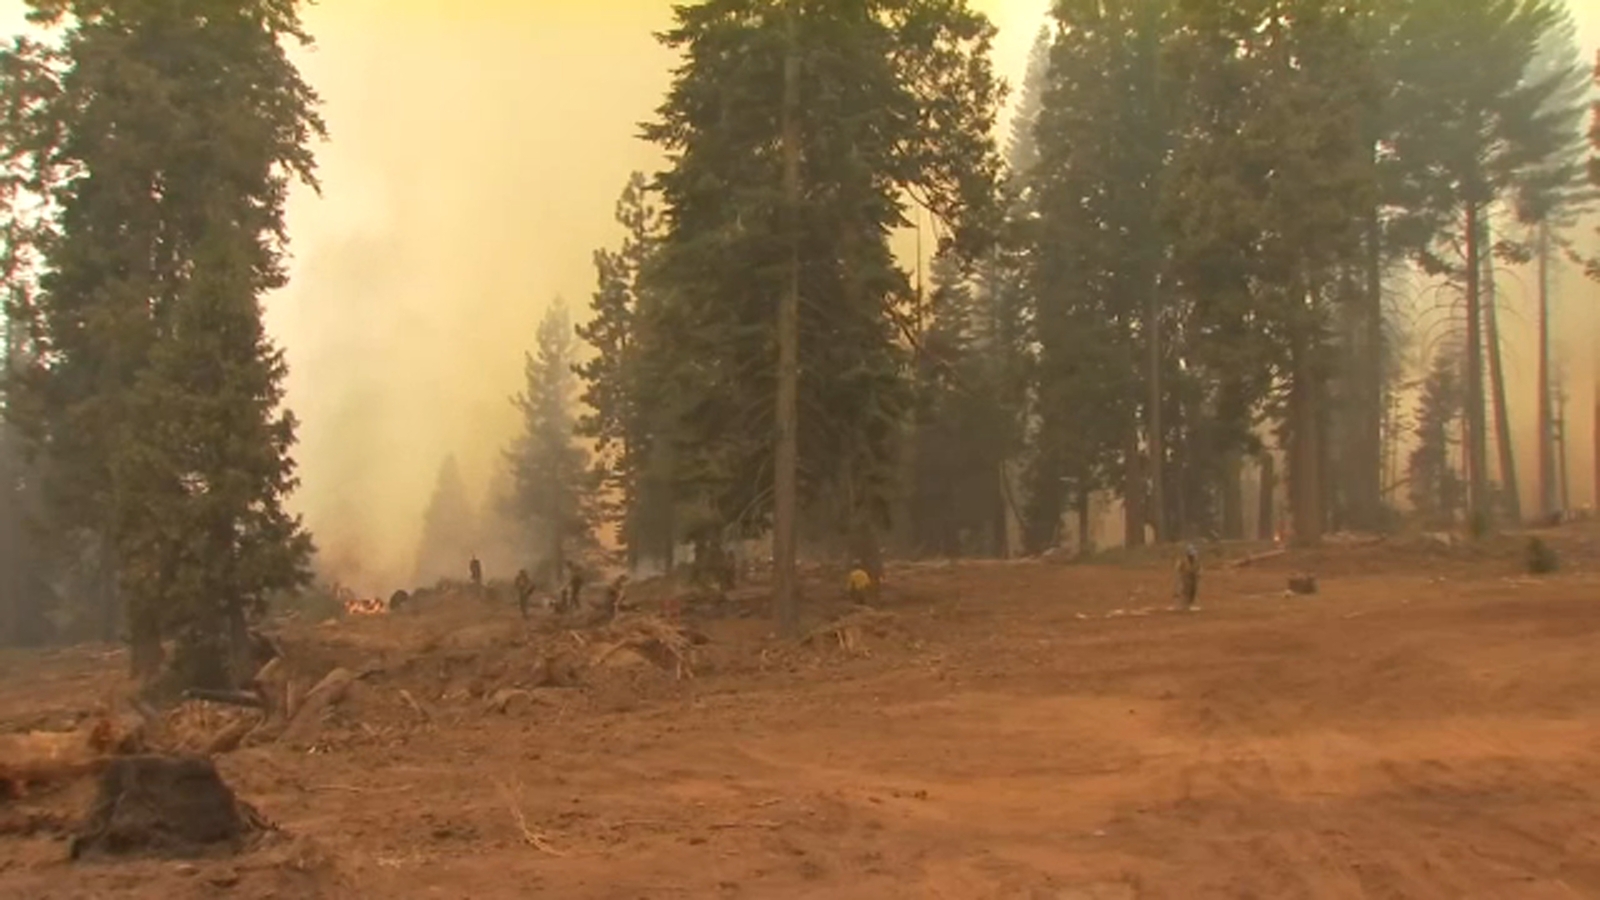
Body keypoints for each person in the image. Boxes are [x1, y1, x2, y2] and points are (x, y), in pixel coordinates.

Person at [1174, 543, 1200, 611]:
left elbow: (1197, 569)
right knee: (1185, 591)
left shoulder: (1195, 561)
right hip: (1185, 578)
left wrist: (1197, 575)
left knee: (1193, 592)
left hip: (1193, 578)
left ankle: (1188, 605)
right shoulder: (1183, 561)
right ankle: (1182, 605)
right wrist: (1180, 578)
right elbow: (1179, 570)